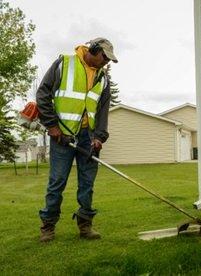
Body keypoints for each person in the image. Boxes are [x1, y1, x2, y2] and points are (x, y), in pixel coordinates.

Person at [36, 37, 118, 242]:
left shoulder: (103, 79)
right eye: (104, 57)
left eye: (109, 60)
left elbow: (102, 112)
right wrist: (52, 126)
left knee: (87, 184)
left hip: (87, 138)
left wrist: (99, 137)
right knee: (57, 182)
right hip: (62, 135)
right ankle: (48, 226)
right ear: (94, 49)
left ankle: (85, 225)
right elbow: (43, 93)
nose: (106, 62)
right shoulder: (64, 63)